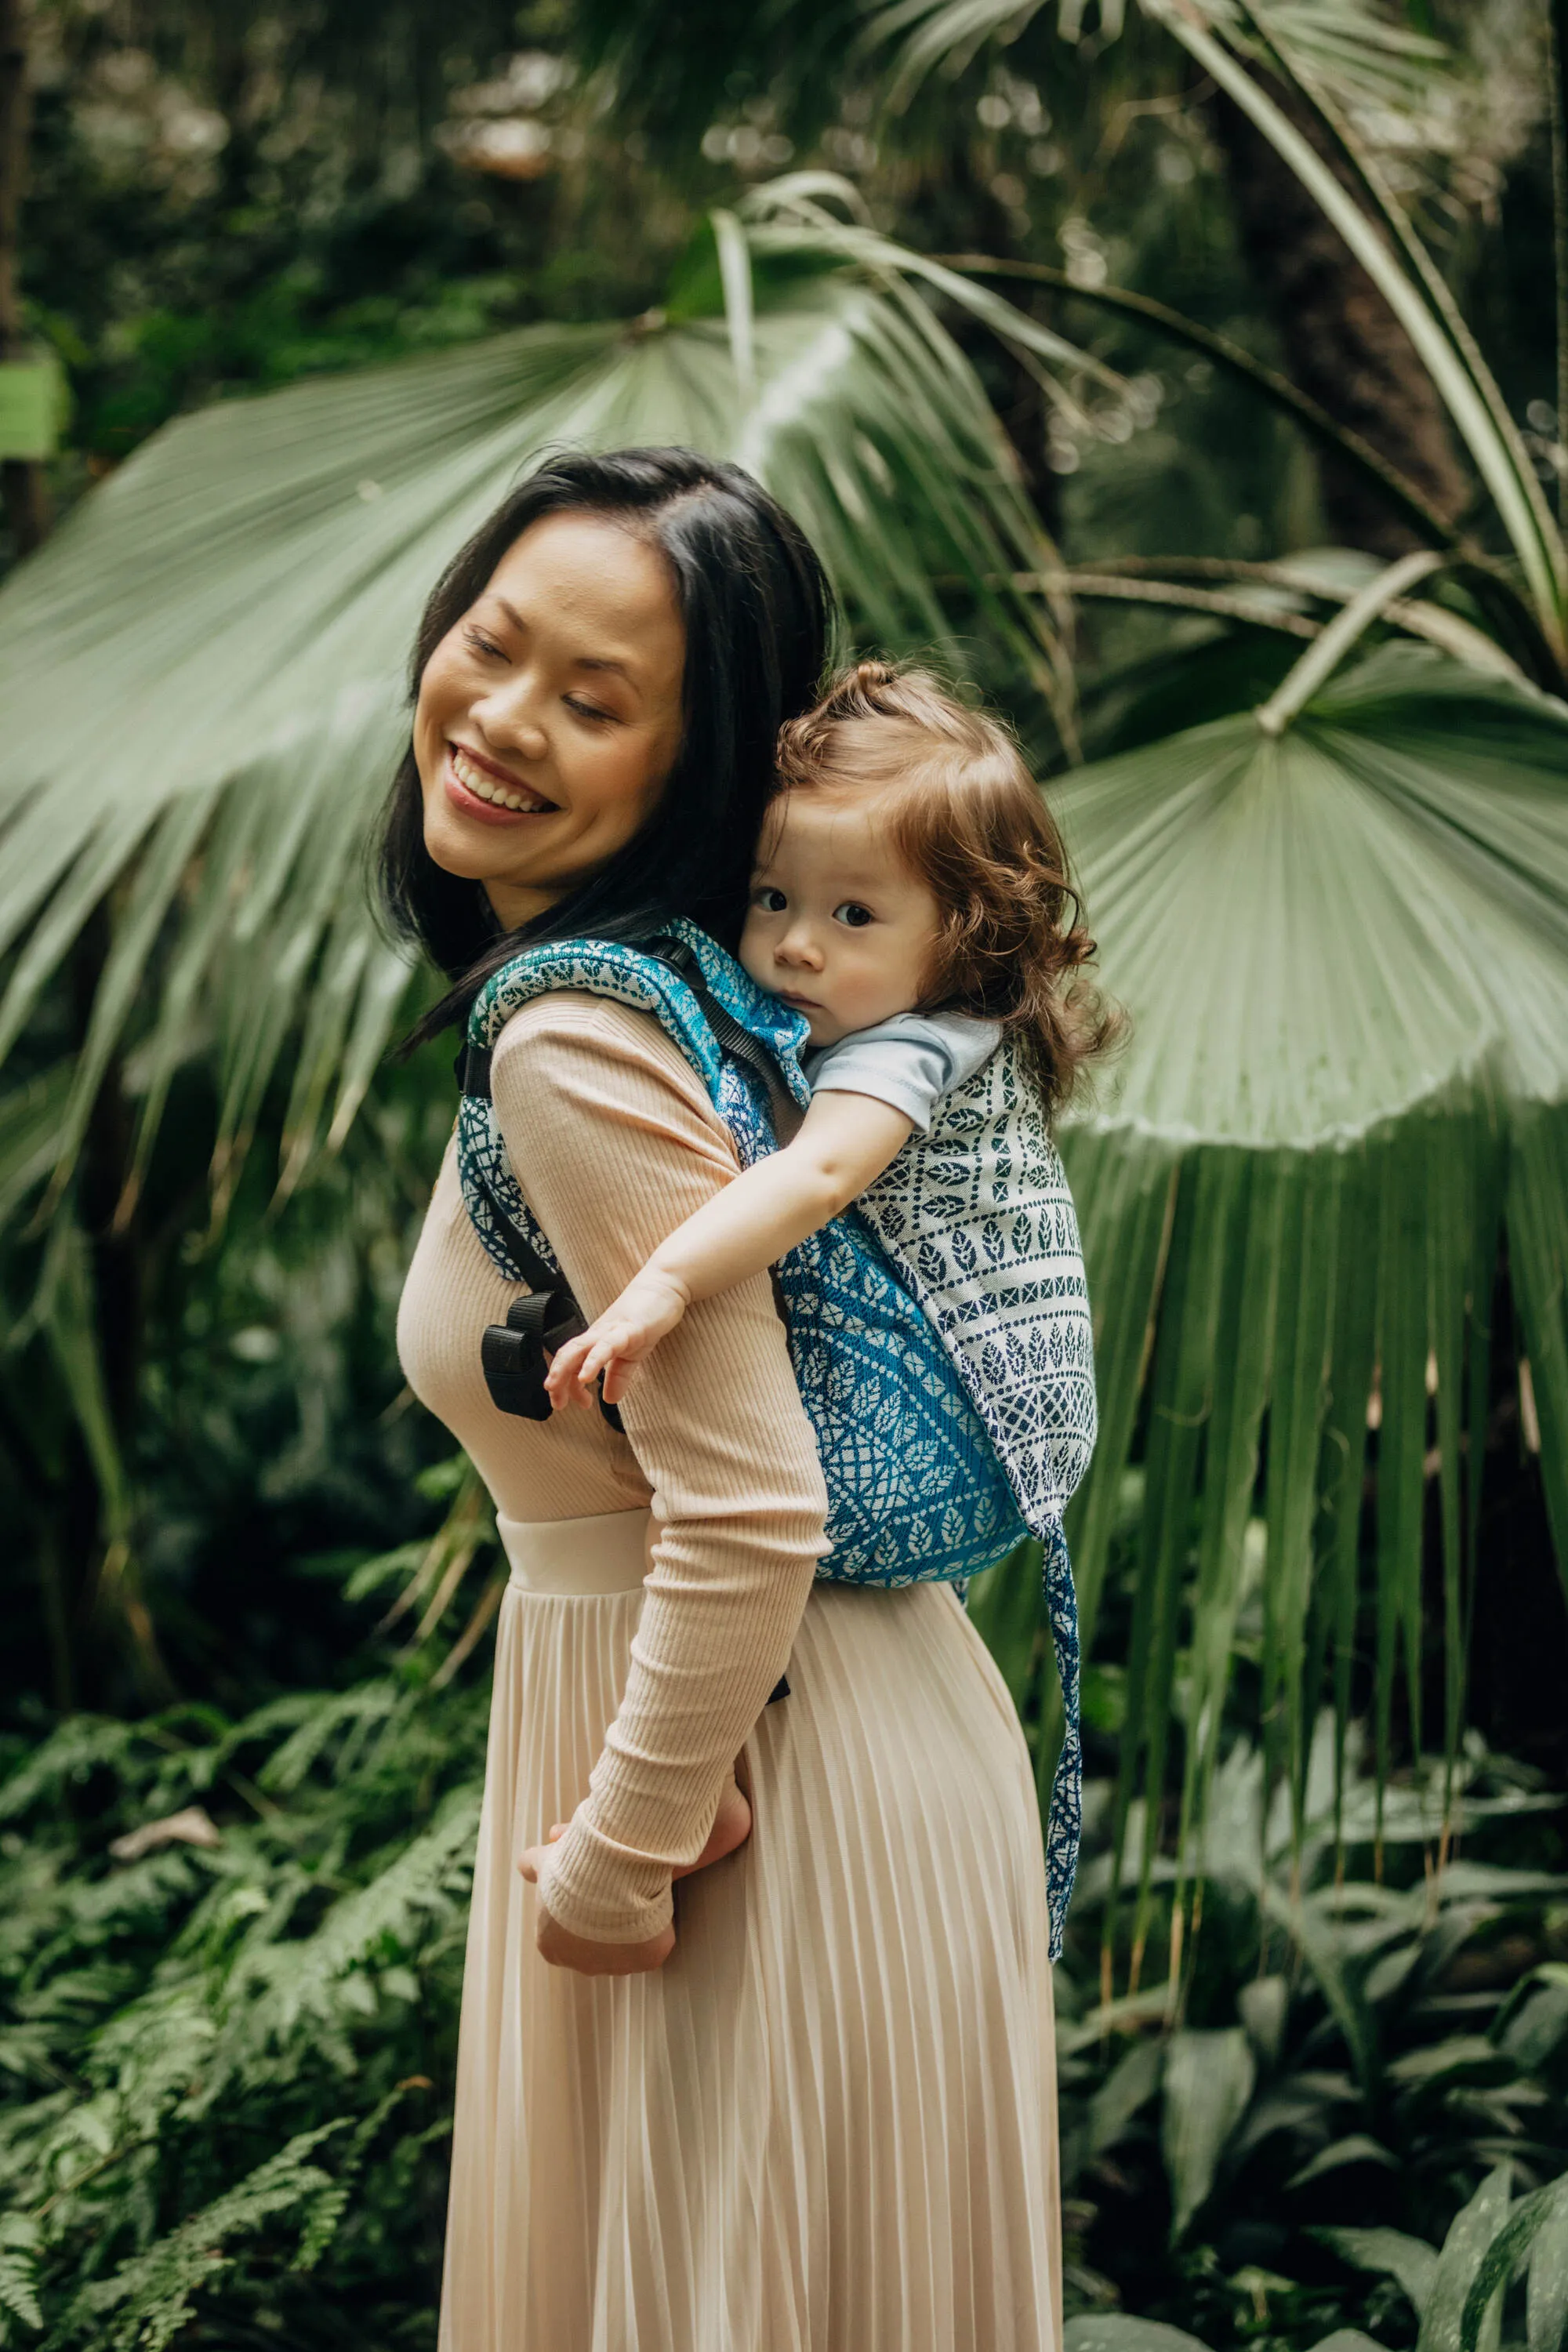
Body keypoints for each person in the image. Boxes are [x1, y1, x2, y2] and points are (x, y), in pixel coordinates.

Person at [385, 446, 1069, 2351]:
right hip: (807, 1732)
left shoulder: (585, 1031)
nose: (501, 717)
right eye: (492, 644)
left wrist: (614, 1858)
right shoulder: (707, 990)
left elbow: (751, 1496)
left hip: (732, 1796)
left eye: (593, 702)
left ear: (696, 767)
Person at [542, 656, 1106, 1881]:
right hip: (1002, 1469)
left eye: (853, 916)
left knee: (703, 1505)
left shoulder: (904, 1056)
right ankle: (712, 1785)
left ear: (966, 942)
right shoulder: (936, 1025)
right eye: (772, 898)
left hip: (945, 1448)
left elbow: (814, 1181)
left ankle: (693, 1793)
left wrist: (666, 1283)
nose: (795, 947)